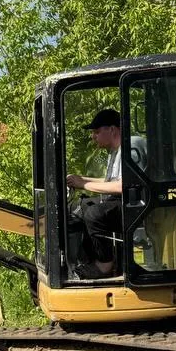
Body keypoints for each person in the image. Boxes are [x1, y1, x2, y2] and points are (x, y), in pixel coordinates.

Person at [67, 109, 126, 279]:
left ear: (113, 129)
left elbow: (122, 186)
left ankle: (105, 265)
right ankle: (87, 259)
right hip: (120, 200)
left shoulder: (130, 147)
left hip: (135, 204)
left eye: (97, 131)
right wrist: (80, 180)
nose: (93, 137)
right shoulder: (115, 151)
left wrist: (84, 184)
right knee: (78, 207)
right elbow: (110, 182)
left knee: (95, 214)